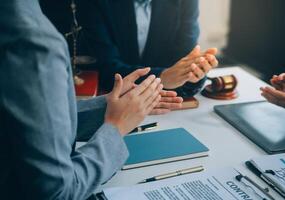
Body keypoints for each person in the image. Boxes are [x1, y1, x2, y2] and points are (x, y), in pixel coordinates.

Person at [0, 1, 181, 199]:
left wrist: (111, 107)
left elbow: (17, 125)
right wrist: (115, 128)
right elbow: (59, 192)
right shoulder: (33, 43)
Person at [78, 0, 219, 98]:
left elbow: (184, 62)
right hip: (112, 106)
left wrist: (195, 72)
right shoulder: (94, 3)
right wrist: (161, 78)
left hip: (169, 108)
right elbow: (105, 70)